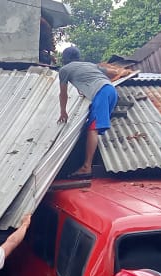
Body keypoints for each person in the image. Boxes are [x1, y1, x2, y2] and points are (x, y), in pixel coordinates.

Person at [56, 46, 118, 179]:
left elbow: (63, 94)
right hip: (111, 91)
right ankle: (87, 165)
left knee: (92, 129)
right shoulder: (90, 65)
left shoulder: (65, 70)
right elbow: (110, 73)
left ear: (64, 59)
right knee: (94, 126)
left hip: (101, 93)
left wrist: (63, 112)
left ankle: (86, 167)